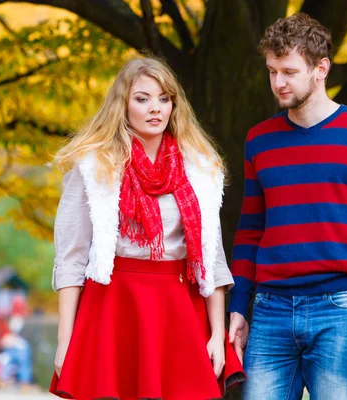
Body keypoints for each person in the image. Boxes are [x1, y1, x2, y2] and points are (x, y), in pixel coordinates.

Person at [227, 13, 347, 400]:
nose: (278, 82)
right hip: (269, 309)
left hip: (340, 309)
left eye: (288, 71)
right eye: (272, 71)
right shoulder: (259, 141)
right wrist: (238, 305)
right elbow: (250, 230)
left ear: (321, 68)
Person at [49, 57, 245, 400]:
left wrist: (218, 333)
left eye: (164, 98)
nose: (155, 108)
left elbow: (211, 259)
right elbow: (71, 261)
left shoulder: (200, 168)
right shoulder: (95, 167)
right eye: (142, 99)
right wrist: (65, 342)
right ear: (122, 104)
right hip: (113, 306)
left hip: (178, 306)